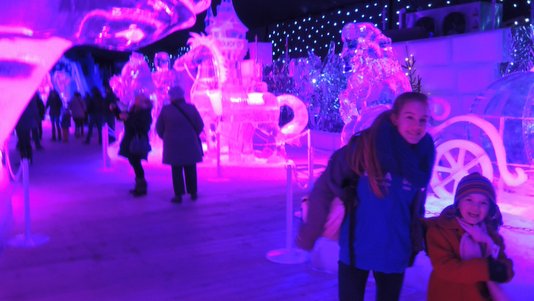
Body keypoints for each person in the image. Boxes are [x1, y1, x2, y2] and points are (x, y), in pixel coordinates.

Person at [297, 92, 436, 301]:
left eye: (422, 120)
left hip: (395, 251)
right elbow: (325, 186)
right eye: (409, 117)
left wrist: (417, 241)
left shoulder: (424, 155)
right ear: (395, 118)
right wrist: (310, 232)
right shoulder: (366, 148)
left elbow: (417, 204)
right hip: (356, 249)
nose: (416, 126)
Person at [424, 172, 514, 301]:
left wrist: (502, 270)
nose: (475, 207)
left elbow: (505, 264)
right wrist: (486, 269)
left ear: (490, 208)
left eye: (483, 203)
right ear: (458, 203)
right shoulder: (440, 231)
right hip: (446, 295)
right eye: (469, 199)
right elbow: (446, 268)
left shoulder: (491, 236)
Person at [156, 86, 204, 204]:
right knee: (191, 168)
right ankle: (193, 192)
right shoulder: (191, 108)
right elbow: (200, 125)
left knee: (176, 170)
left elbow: (159, 128)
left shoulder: (166, 110)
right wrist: (192, 135)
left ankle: (178, 195)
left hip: (173, 145)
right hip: (190, 144)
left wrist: (167, 137)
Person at [115, 94, 153, 196]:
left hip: (137, 140)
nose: (135, 101)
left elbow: (141, 126)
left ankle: (141, 186)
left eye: (137, 99)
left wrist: (128, 119)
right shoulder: (135, 110)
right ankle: (139, 185)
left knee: (136, 163)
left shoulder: (144, 112)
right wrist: (116, 110)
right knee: (134, 162)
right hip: (130, 139)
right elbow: (125, 118)